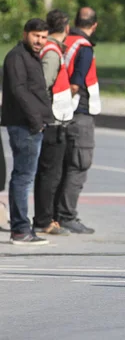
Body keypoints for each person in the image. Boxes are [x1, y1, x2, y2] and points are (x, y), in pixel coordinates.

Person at [1, 18, 53, 245]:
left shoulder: (31, 56)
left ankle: (22, 228)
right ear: (25, 34)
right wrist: (35, 121)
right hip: (24, 125)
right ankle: (21, 229)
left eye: (43, 37)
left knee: (24, 177)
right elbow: (19, 91)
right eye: (36, 36)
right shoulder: (16, 57)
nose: (40, 41)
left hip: (31, 124)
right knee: (22, 178)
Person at [55, 7, 100, 234]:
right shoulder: (84, 48)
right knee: (78, 165)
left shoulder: (64, 41)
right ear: (95, 25)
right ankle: (66, 215)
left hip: (59, 115)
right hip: (78, 113)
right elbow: (76, 83)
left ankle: (54, 215)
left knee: (60, 166)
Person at [33, 9, 73, 236]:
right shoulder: (52, 52)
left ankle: (45, 217)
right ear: (66, 28)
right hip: (53, 120)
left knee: (50, 172)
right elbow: (43, 87)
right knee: (50, 173)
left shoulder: (53, 49)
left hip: (55, 119)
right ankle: (44, 219)